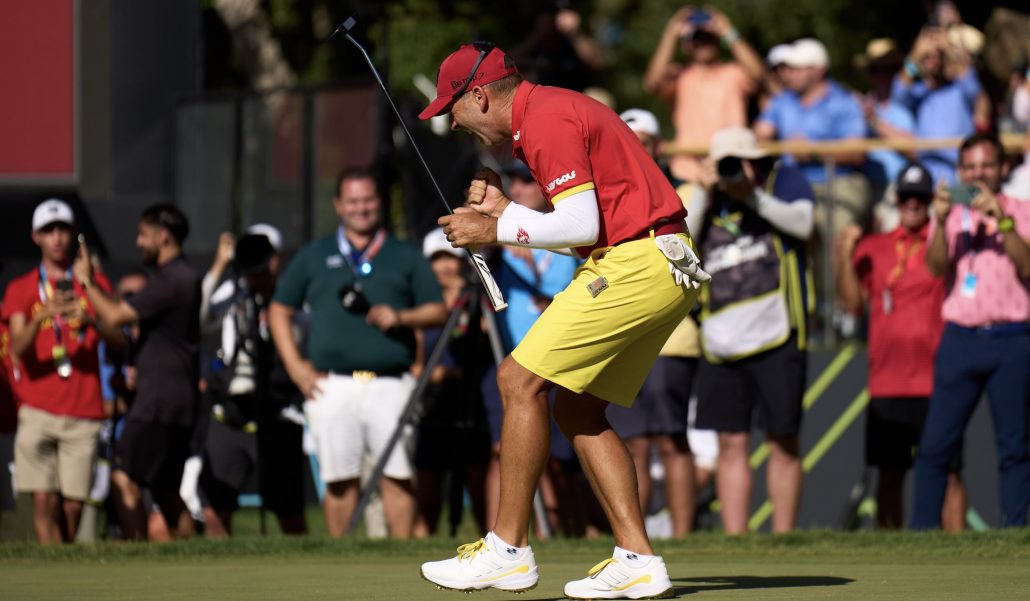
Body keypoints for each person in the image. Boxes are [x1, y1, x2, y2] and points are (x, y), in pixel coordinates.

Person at [417, 43, 709, 598]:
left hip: (637, 262)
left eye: (452, 108)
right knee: (576, 406)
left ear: (479, 95)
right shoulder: (548, 112)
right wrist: (505, 211)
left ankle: (508, 550)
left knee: (515, 380)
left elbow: (579, 223)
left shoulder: (545, 117)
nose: (453, 123)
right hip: (663, 262)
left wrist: (493, 230)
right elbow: (590, 225)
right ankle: (638, 560)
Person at [268, 169, 447, 539]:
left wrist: (401, 316)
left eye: (367, 200)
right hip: (331, 384)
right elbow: (278, 310)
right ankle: (341, 560)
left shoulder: (404, 254)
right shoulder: (314, 254)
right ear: (338, 204)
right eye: (352, 201)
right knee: (338, 479)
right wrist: (296, 368)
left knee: (397, 476)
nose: (360, 208)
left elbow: (437, 310)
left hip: (391, 382)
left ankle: (400, 564)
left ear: (378, 202)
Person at [690, 127, 814, 534]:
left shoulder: (782, 179)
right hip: (721, 338)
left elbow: (803, 225)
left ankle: (783, 537)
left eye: (740, 161)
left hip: (778, 330)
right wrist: (702, 190)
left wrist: (749, 193)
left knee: (782, 438)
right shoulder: (705, 197)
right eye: (724, 163)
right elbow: (679, 240)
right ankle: (735, 538)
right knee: (730, 441)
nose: (733, 171)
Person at [836, 163, 967, 531]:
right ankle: (890, 555)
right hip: (887, 381)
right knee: (890, 474)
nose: (913, 204)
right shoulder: (876, 246)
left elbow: (947, 265)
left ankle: (960, 554)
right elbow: (851, 304)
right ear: (895, 199)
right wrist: (844, 256)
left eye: (920, 197)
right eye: (906, 196)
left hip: (937, 378)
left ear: (929, 201)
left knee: (950, 472)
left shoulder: (942, 239)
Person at [913, 133, 1030, 529]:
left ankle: (1016, 533)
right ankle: (919, 538)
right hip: (960, 338)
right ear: (960, 171)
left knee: (1014, 447)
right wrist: (941, 219)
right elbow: (933, 267)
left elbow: (1027, 266)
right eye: (970, 167)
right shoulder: (951, 215)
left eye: (986, 166)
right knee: (934, 447)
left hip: (1011, 337)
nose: (978, 174)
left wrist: (1002, 219)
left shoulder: (1021, 209)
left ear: (1002, 169)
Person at [72, 203, 202, 540]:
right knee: (164, 489)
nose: (137, 242)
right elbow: (120, 330)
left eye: (143, 234)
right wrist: (93, 321)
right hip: (172, 398)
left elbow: (116, 316)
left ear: (162, 236)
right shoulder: (174, 278)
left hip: (159, 399)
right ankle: (191, 557)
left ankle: (139, 554)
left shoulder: (175, 278)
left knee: (123, 477)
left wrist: (86, 282)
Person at [1, 199, 123, 543]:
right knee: (43, 500)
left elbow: (119, 338)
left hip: (83, 409)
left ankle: (64, 560)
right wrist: (42, 315)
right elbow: (17, 349)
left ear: (72, 235)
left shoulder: (92, 281)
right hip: (37, 407)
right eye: (48, 230)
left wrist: (91, 319)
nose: (56, 238)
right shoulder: (22, 288)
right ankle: (52, 571)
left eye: (63, 230)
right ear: (35, 236)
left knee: (73, 507)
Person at [607, 108, 705, 537]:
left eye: (642, 140)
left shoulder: (686, 190)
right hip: (625, 333)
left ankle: (683, 534)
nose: (635, 148)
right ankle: (635, 541)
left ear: (657, 146)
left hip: (673, 336)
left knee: (671, 439)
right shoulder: (609, 196)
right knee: (635, 444)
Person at [197, 225, 308, 537]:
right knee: (215, 509)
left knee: (289, 512)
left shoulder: (293, 297)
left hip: (277, 414)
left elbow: (305, 337)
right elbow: (200, 317)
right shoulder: (231, 294)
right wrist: (221, 265)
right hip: (229, 415)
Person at [412, 227, 493, 538]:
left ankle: (490, 547)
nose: (445, 266)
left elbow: (490, 337)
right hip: (434, 403)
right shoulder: (422, 303)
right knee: (429, 494)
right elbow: (417, 363)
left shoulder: (475, 299)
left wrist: (471, 303)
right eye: (437, 259)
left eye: (451, 259)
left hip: (471, 400)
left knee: (478, 485)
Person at [755, 38, 870, 239]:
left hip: (839, 184)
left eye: (796, 68)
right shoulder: (781, 101)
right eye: (786, 69)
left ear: (818, 70)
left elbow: (857, 153)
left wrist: (812, 153)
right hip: (789, 183)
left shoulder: (845, 102)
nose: (787, 74)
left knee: (839, 237)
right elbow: (758, 136)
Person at [643, 5, 764, 183]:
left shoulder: (734, 73)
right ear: (686, 46)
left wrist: (727, 31)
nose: (703, 45)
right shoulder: (680, 76)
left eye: (708, 39)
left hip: (732, 168)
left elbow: (759, 75)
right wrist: (671, 34)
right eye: (697, 40)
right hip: (688, 171)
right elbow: (652, 84)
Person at [891, 26, 987, 187]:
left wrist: (948, 48)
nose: (932, 59)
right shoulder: (919, 93)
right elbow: (898, 93)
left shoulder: (959, 89)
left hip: (961, 174)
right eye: (927, 56)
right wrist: (916, 54)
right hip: (926, 174)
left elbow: (974, 90)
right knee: (912, 201)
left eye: (938, 55)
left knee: (968, 200)